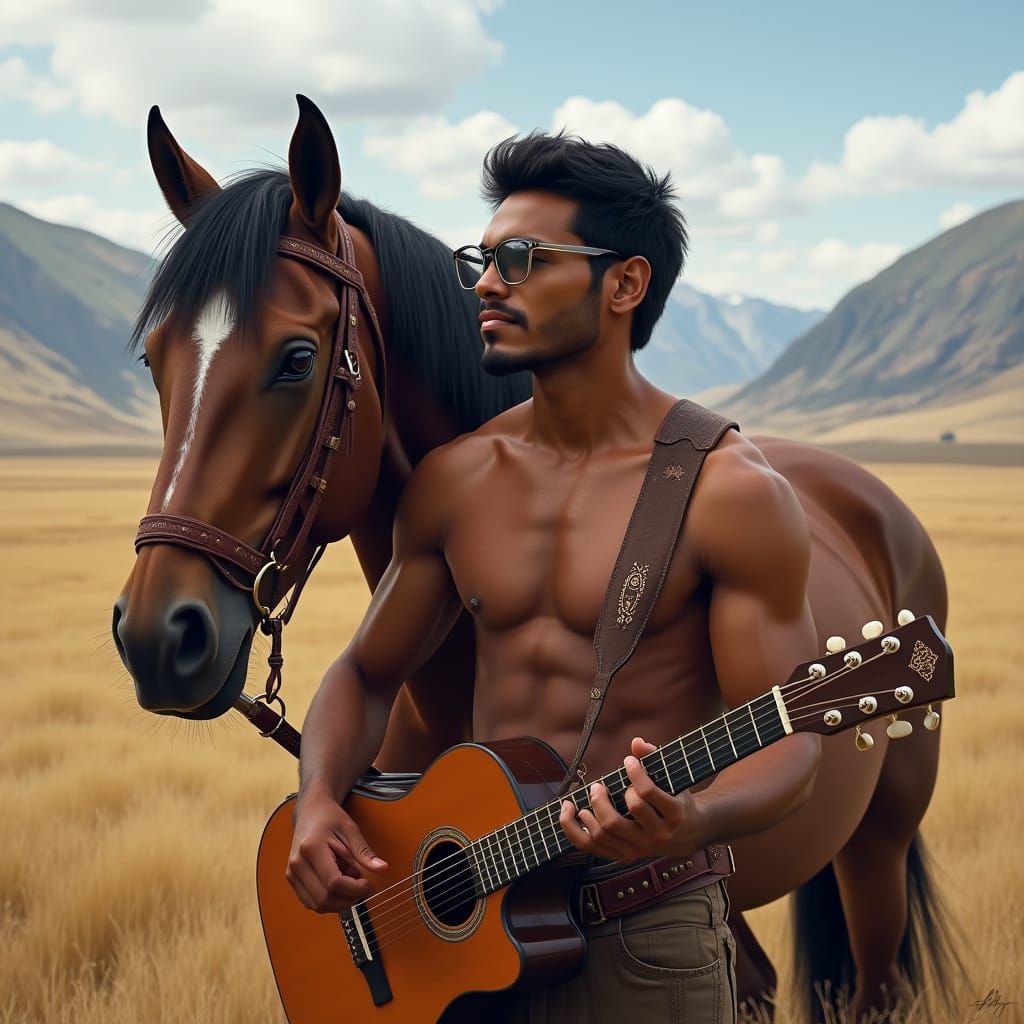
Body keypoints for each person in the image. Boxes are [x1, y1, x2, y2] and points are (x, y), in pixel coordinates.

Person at [286, 132, 822, 1023]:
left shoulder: (728, 494)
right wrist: (317, 803)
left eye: (522, 260)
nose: (487, 285)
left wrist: (695, 819)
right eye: (482, 261)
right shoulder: (456, 482)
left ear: (625, 284)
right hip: (469, 925)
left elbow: (793, 738)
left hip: (642, 932)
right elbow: (365, 675)